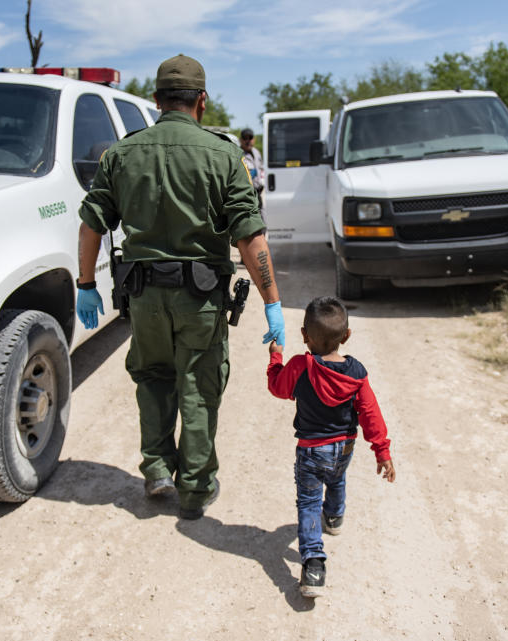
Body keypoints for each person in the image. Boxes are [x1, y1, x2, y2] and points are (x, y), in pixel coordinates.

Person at [75, 54, 285, 520]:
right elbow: (249, 237)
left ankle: (156, 469)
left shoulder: (122, 153)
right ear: (202, 101)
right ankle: (194, 490)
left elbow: (91, 225)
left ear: (156, 101)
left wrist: (85, 284)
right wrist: (273, 303)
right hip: (201, 298)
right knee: (199, 384)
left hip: (144, 297)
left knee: (152, 377)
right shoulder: (225, 153)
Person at [266, 296, 395, 597]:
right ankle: (335, 517)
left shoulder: (300, 366)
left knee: (309, 504)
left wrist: (275, 357)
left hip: (311, 451)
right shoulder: (357, 373)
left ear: (304, 335)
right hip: (344, 448)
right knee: (337, 478)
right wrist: (382, 451)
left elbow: (277, 387)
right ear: (347, 336)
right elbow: (371, 414)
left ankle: (313, 565)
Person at [239, 128, 265, 221]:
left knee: (262, 221)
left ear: (253, 139)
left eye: (250, 138)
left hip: (258, 193)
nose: (248, 141)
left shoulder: (256, 152)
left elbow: (261, 168)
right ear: (240, 140)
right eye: (245, 138)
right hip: (246, 196)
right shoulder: (238, 154)